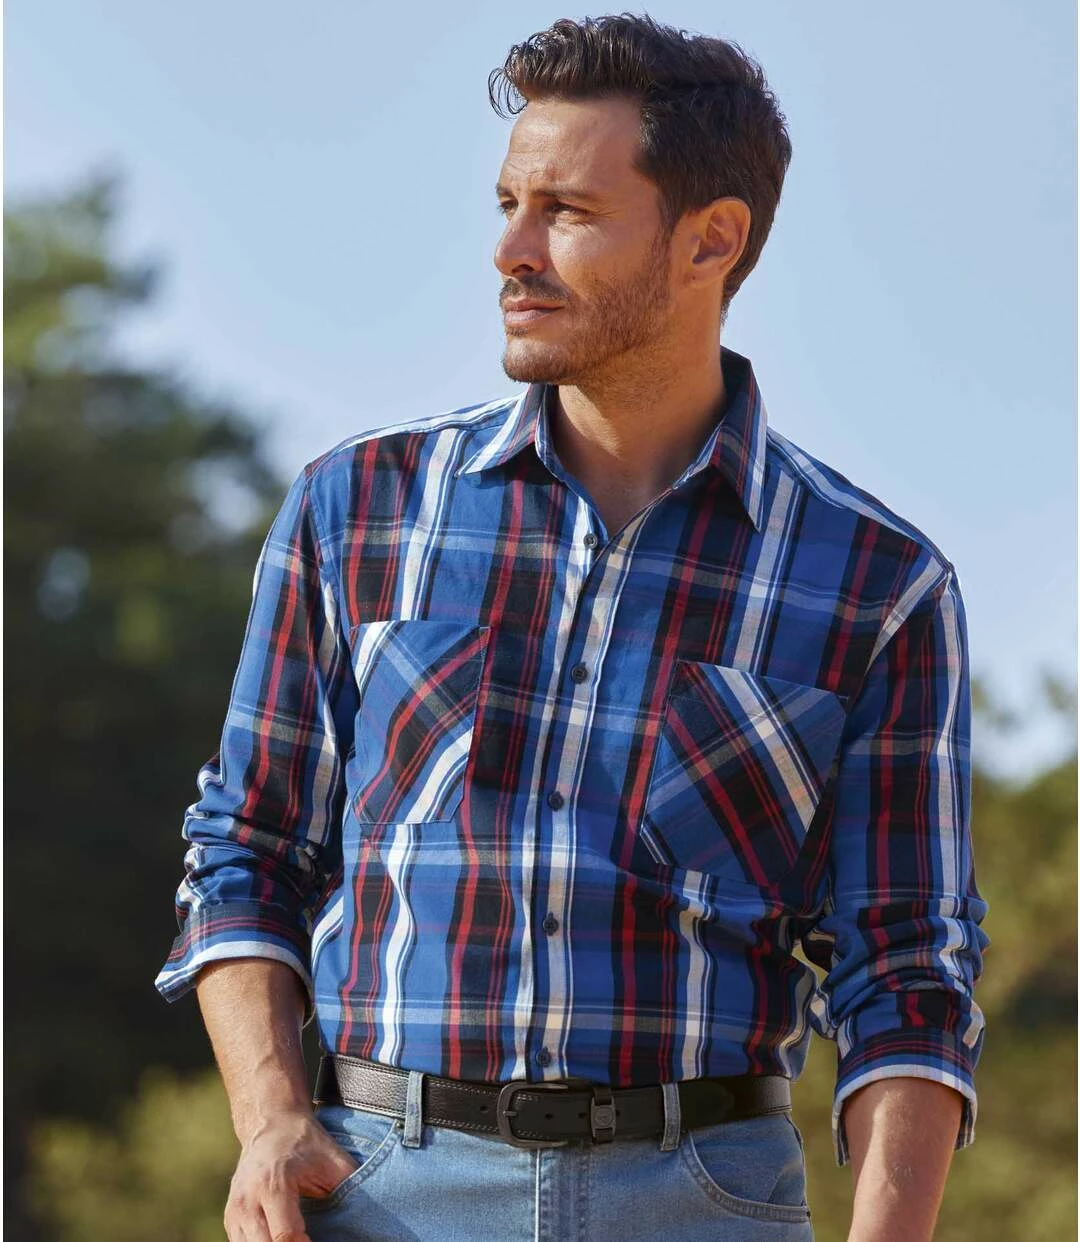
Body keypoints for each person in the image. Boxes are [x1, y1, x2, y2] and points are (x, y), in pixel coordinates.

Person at [155, 14, 988, 1242]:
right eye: (510, 203)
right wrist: (271, 1118)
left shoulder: (877, 583)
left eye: (568, 212)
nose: (511, 249)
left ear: (712, 240)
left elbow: (907, 964)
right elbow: (247, 847)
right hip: (382, 1188)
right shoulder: (357, 510)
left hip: (704, 1201)